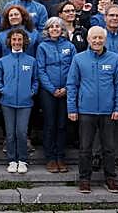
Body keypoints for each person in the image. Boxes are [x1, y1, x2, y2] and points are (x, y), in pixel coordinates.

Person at [67, 25, 118, 194]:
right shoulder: (79, 59)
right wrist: (72, 108)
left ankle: (110, 178)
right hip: (86, 110)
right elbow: (72, 85)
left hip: (108, 111)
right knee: (85, 147)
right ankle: (85, 179)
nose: (97, 41)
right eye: (94, 38)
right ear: (88, 39)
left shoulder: (114, 59)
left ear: (105, 40)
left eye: (100, 38)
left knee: (109, 147)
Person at [36, 16, 77, 173]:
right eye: (51, 27)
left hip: (66, 90)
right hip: (48, 91)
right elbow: (40, 69)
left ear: (62, 30)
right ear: (47, 30)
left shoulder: (70, 46)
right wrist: (52, 89)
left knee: (62, 125)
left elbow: (74, 68)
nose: (55, 29)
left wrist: (67, 87)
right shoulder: (42, 47)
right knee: (50, 124)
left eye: (57, 27)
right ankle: (50, 157)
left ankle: (61, 156)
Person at [0, 28, 39, 174]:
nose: (16, 42)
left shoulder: (31, 61)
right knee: (10, 133)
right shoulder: (3, 61)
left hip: (25, 103)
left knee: (21, 132)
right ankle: (11, 160)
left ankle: (22, 160)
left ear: (24, 41)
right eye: (14, 40)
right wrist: (3, 90)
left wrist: (31, 92)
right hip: (7, 102)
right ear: (9, 41)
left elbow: (35, 80)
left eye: (19, 39)